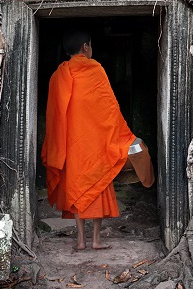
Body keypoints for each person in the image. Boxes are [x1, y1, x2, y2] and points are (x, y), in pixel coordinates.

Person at [41, 29, 147, 251]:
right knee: (97, 187)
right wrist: (125, 136)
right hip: (96, 144)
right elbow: (109, 109)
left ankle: (80, 241)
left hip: (71, 146)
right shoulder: (95, 69)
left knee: (77, 189)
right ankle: (96, 240)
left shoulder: (58, 76)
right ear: (86, 47)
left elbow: (54, 116)